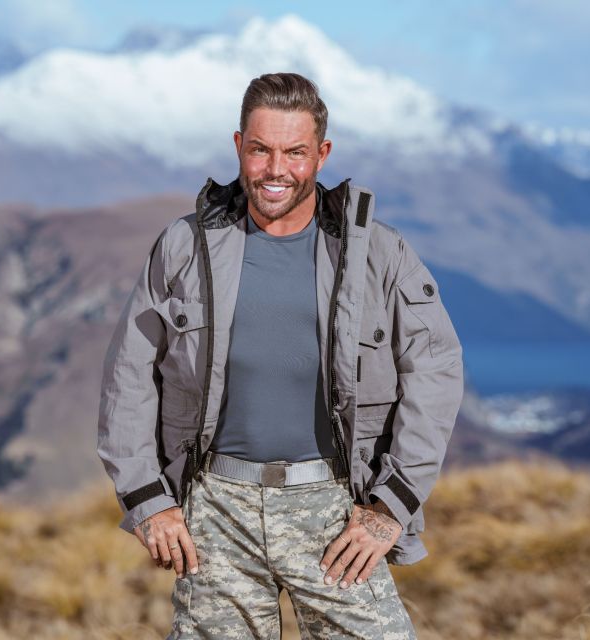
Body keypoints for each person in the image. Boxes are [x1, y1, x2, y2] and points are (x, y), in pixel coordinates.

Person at [96, 72, 464, 639]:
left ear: (322, 154)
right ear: (238, 145)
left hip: (336, 510)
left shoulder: (379, 253)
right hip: (214, 509)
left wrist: (390, 508)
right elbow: (129, 374)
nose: (275, 170)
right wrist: (149, 501)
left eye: (294, 153)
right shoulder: (182, 247)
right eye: (261, 149)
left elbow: (435, 371)